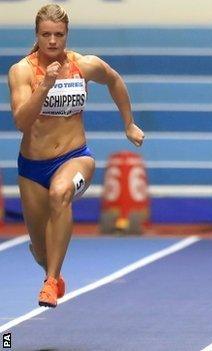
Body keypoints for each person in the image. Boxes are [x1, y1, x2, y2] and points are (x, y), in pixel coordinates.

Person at [7, 4, 145, 308]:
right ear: (37, 35)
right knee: (41, 250)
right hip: (32, 168)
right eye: (46, 35)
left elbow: (114, 80)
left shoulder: (84, 65)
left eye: (59, 34)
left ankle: (51, 282)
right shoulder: (22, 71)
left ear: (67, 34)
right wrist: (45, 86)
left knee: (61, 193)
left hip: (76, 157)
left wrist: (128, 123)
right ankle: (50, 269)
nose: (53, 41)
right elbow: (20, 122)